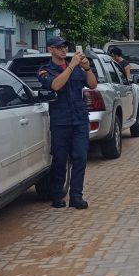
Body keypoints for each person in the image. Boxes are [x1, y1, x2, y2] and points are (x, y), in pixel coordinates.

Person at [38, 37, 97, 209]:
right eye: (59, 47)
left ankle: (76, 196)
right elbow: (56, 85)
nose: (63, 50)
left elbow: (93, 85)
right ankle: (57, 195)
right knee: (60, 159)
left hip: (79, 119)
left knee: (80, 157)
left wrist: (86, 68)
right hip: (60, 121)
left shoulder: (78, 67)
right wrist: (71, 66)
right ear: (51, 49)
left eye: (65, 47)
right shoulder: (45, 70)